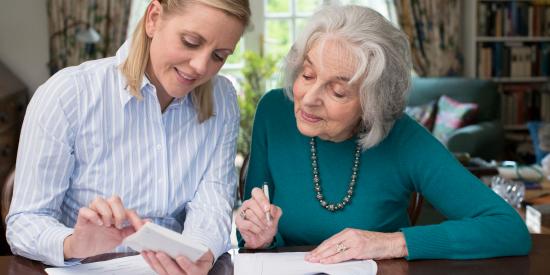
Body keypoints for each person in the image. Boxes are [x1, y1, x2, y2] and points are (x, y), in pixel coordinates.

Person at [236, 5, 531, 263]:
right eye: (308, 75)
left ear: (373, 103)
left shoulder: (404, 139)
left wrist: (389, 243)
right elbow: (250, 234)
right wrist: (258, 238)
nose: (309, 98)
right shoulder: (274, 111)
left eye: (338, 91)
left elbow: (508, 228)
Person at [7, 0, 249, 273]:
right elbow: (25, 221)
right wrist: (73, 244)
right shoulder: (68, 95)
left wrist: (197, 253)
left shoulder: (223, 98)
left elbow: (213, 202)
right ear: (153, 18)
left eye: (219, 55)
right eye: (191, 42)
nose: (200, 67)